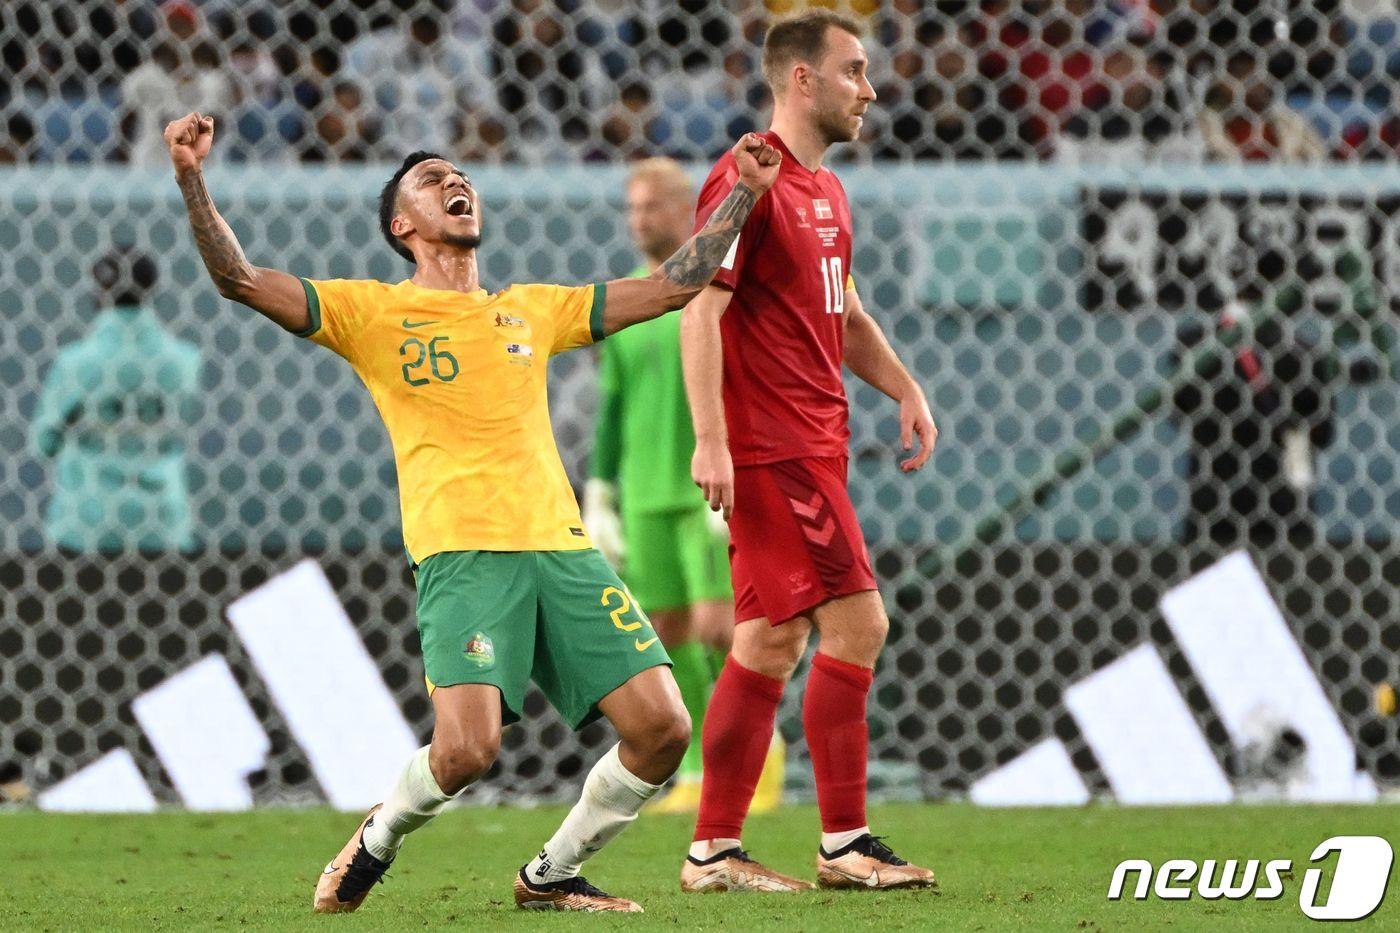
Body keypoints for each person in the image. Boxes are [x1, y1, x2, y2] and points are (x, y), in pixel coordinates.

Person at [163, 110, 780, 914]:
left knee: (663, 727)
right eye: (431, 180)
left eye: (461, 174)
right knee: (467, 749)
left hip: (560, 548)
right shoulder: (371, 313)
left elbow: (674, 284)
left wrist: (741, 193)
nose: (455, 181)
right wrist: (190, 177)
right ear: (401, 223)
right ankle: (377, 836)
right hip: (462, 550)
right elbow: (239, 278)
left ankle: (552, 872)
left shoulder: (531, 309)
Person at [679, 11, 938, 892]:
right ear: (802, 79)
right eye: (855, 71)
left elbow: (845, 314)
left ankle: (713, 847)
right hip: (773, 447)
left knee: (766, 643)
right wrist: (712, 438)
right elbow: (699, 308)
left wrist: (903, 386)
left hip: (813, 444)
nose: (869, 89)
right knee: (860, 624)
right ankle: (844, 842)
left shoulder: (825, 190)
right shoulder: (746, 179)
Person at [584, 158, 783, 814]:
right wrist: (600, 489)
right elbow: (611, 405)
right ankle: (700, 767)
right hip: (645, 493)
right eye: (633, 208)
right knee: (664, 632)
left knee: (719, 628)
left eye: (652, 207)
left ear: (683, 210)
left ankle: (760, 754)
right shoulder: (627, 301)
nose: (640, 219)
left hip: (710, 487)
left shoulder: (719, 291)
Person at [29, 246, 201, 555]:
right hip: (162, 524)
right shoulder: (186, 361)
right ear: (153, 289)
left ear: (99, 289)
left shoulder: (75, 364)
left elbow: (43, 444)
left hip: (86, 527)